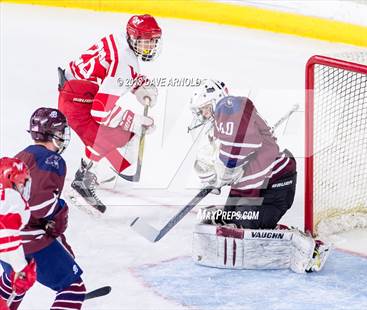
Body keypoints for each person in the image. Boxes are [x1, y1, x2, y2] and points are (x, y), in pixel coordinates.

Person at [189, 80, 330, 273]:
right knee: (226, 220)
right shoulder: (219, 124)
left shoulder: (229, 108)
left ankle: (311, 247)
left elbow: (242, 149)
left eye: (205, 108)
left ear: (217, 100)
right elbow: (231, 157)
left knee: (243, 224)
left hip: (276, 181)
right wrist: (218, 177)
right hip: (253, 184)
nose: (203, 114)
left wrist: (227, 171)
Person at [57, 14, 162, 209]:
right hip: (77, 104)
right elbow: (101, 112)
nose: (151, 47)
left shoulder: (119, 39)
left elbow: (111, 71)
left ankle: (93, 175)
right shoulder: (125, 61)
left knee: (111, 139)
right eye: (146, 42)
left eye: (154, 42)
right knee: (115, 138)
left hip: (75, 94)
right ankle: (83, 183)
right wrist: (135, 120)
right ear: (133, 39)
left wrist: (138, 84)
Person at [0, 107, 86, 309]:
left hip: (5, 238)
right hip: (27, 239)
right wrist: (59, 211)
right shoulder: (53, 160)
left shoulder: (22, 155)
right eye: (62, 131)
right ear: (54, 133)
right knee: (72, 288)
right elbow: (38, 207)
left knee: (15, 278)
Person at [0, 158, 37, 309]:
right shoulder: (11, 198)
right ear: (9, 179)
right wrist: (21, 269)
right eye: (22, 182)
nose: (23, 187)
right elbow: (6, 235)